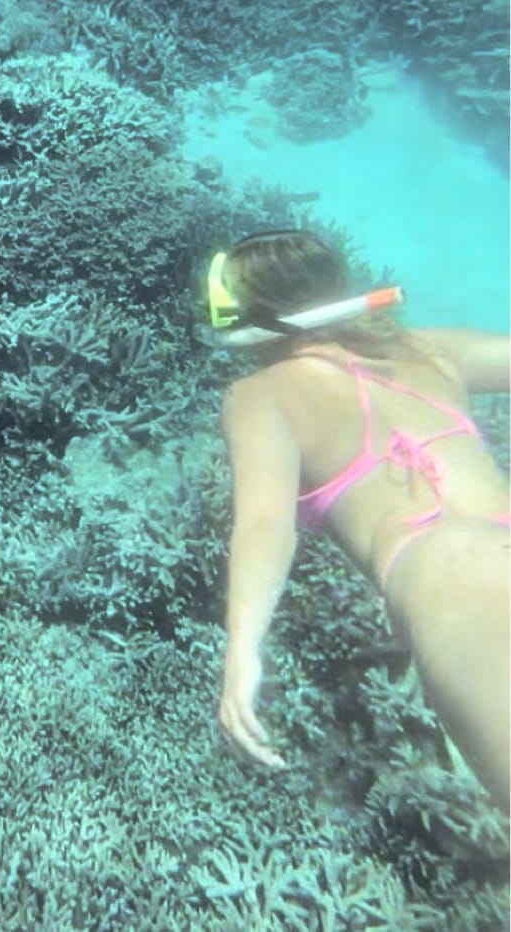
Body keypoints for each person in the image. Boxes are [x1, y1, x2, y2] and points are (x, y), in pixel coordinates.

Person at [211, 229, 510, 811]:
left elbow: (264, 526)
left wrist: (243, 648)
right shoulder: (424, 349)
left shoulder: (260, 395)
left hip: (446, 572)